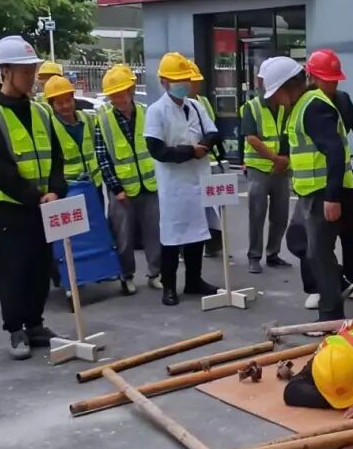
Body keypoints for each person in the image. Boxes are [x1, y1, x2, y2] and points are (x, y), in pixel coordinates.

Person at [0, 35, 67, 359]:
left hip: (44, 204)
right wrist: (36, 197)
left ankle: (35, 323)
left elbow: (56, 156)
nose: (32, 76)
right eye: (25, 71)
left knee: (41, 266)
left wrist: (56, 190)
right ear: (6, 72)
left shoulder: (41, 112)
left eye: (33, 69)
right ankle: (16, 329)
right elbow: (1, 169)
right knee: (15, 268)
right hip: (12, 207)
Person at [267, 56, 353, 320]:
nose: (275, 99)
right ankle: (337, 282)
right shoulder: (300, 106)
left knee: (319, 256)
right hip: (307, 193)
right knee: (297, 240)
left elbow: (335, 152)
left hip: (323, 194)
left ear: (288, 86)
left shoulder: (313, 107)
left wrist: (332, 197)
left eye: (276, 93)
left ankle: (330, 318)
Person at [297, 48, 353, 305]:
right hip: (316, 186)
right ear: (313, 77)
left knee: (351, 232)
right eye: (327, 79)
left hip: (343, 179)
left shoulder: (342, 99)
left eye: (334, 79)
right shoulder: (308, 103)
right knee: (315, 240)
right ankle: (317, 287)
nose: (332, 84)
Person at [144, 53, 221, 306]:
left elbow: (213, 133)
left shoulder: (196, 106)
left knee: (197, 234)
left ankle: (193, 280)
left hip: (198, 180)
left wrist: (204, 146)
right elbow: (157, 150)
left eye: (185, 80)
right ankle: (169, 287)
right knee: (172, 238)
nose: (183, 84)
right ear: (164, 82)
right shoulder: (156, 111)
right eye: (177, 80)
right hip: (174, 185)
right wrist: (191, 151)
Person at [94, 63, 162, 295]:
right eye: (113, 95)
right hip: (121, 190)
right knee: (123, 238)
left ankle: (155, 273)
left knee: (155, 232)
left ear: (131, 90)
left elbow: (156, 147)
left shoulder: (146, 113)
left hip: (150, 185)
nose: (118, 98)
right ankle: (127, 275)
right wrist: (116, 187)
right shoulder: (103, 121)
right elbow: (103, 158)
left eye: (121, 93)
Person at [240, 58, 291, 274]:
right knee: (257, 214)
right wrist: (275, 158)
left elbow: (289, 134)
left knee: (280, 215)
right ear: (260, 81)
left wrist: (285, 159)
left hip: (282, 170)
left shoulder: (284, 106)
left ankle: (273, 253)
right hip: (258, 170)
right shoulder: (251, 107)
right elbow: (252, 138)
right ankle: (254, 256)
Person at [186, 59, 225, 259]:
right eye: (192, 81)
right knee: (194, 210)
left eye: (196, 82)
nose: (195, 85)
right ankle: (190, 249)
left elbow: (213, 129)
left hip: (207, 161)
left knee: (214, 206)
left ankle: (213, 244)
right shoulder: (177, 107)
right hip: (190, 166)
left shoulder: (203, 102)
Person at [45, 74, 103, 196]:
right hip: (69, 189)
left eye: (68, 100)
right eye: (60, 103)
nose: (66, 106)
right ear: (52, 105)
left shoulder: (87, 118)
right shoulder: (49, 126)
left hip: (94, 185)